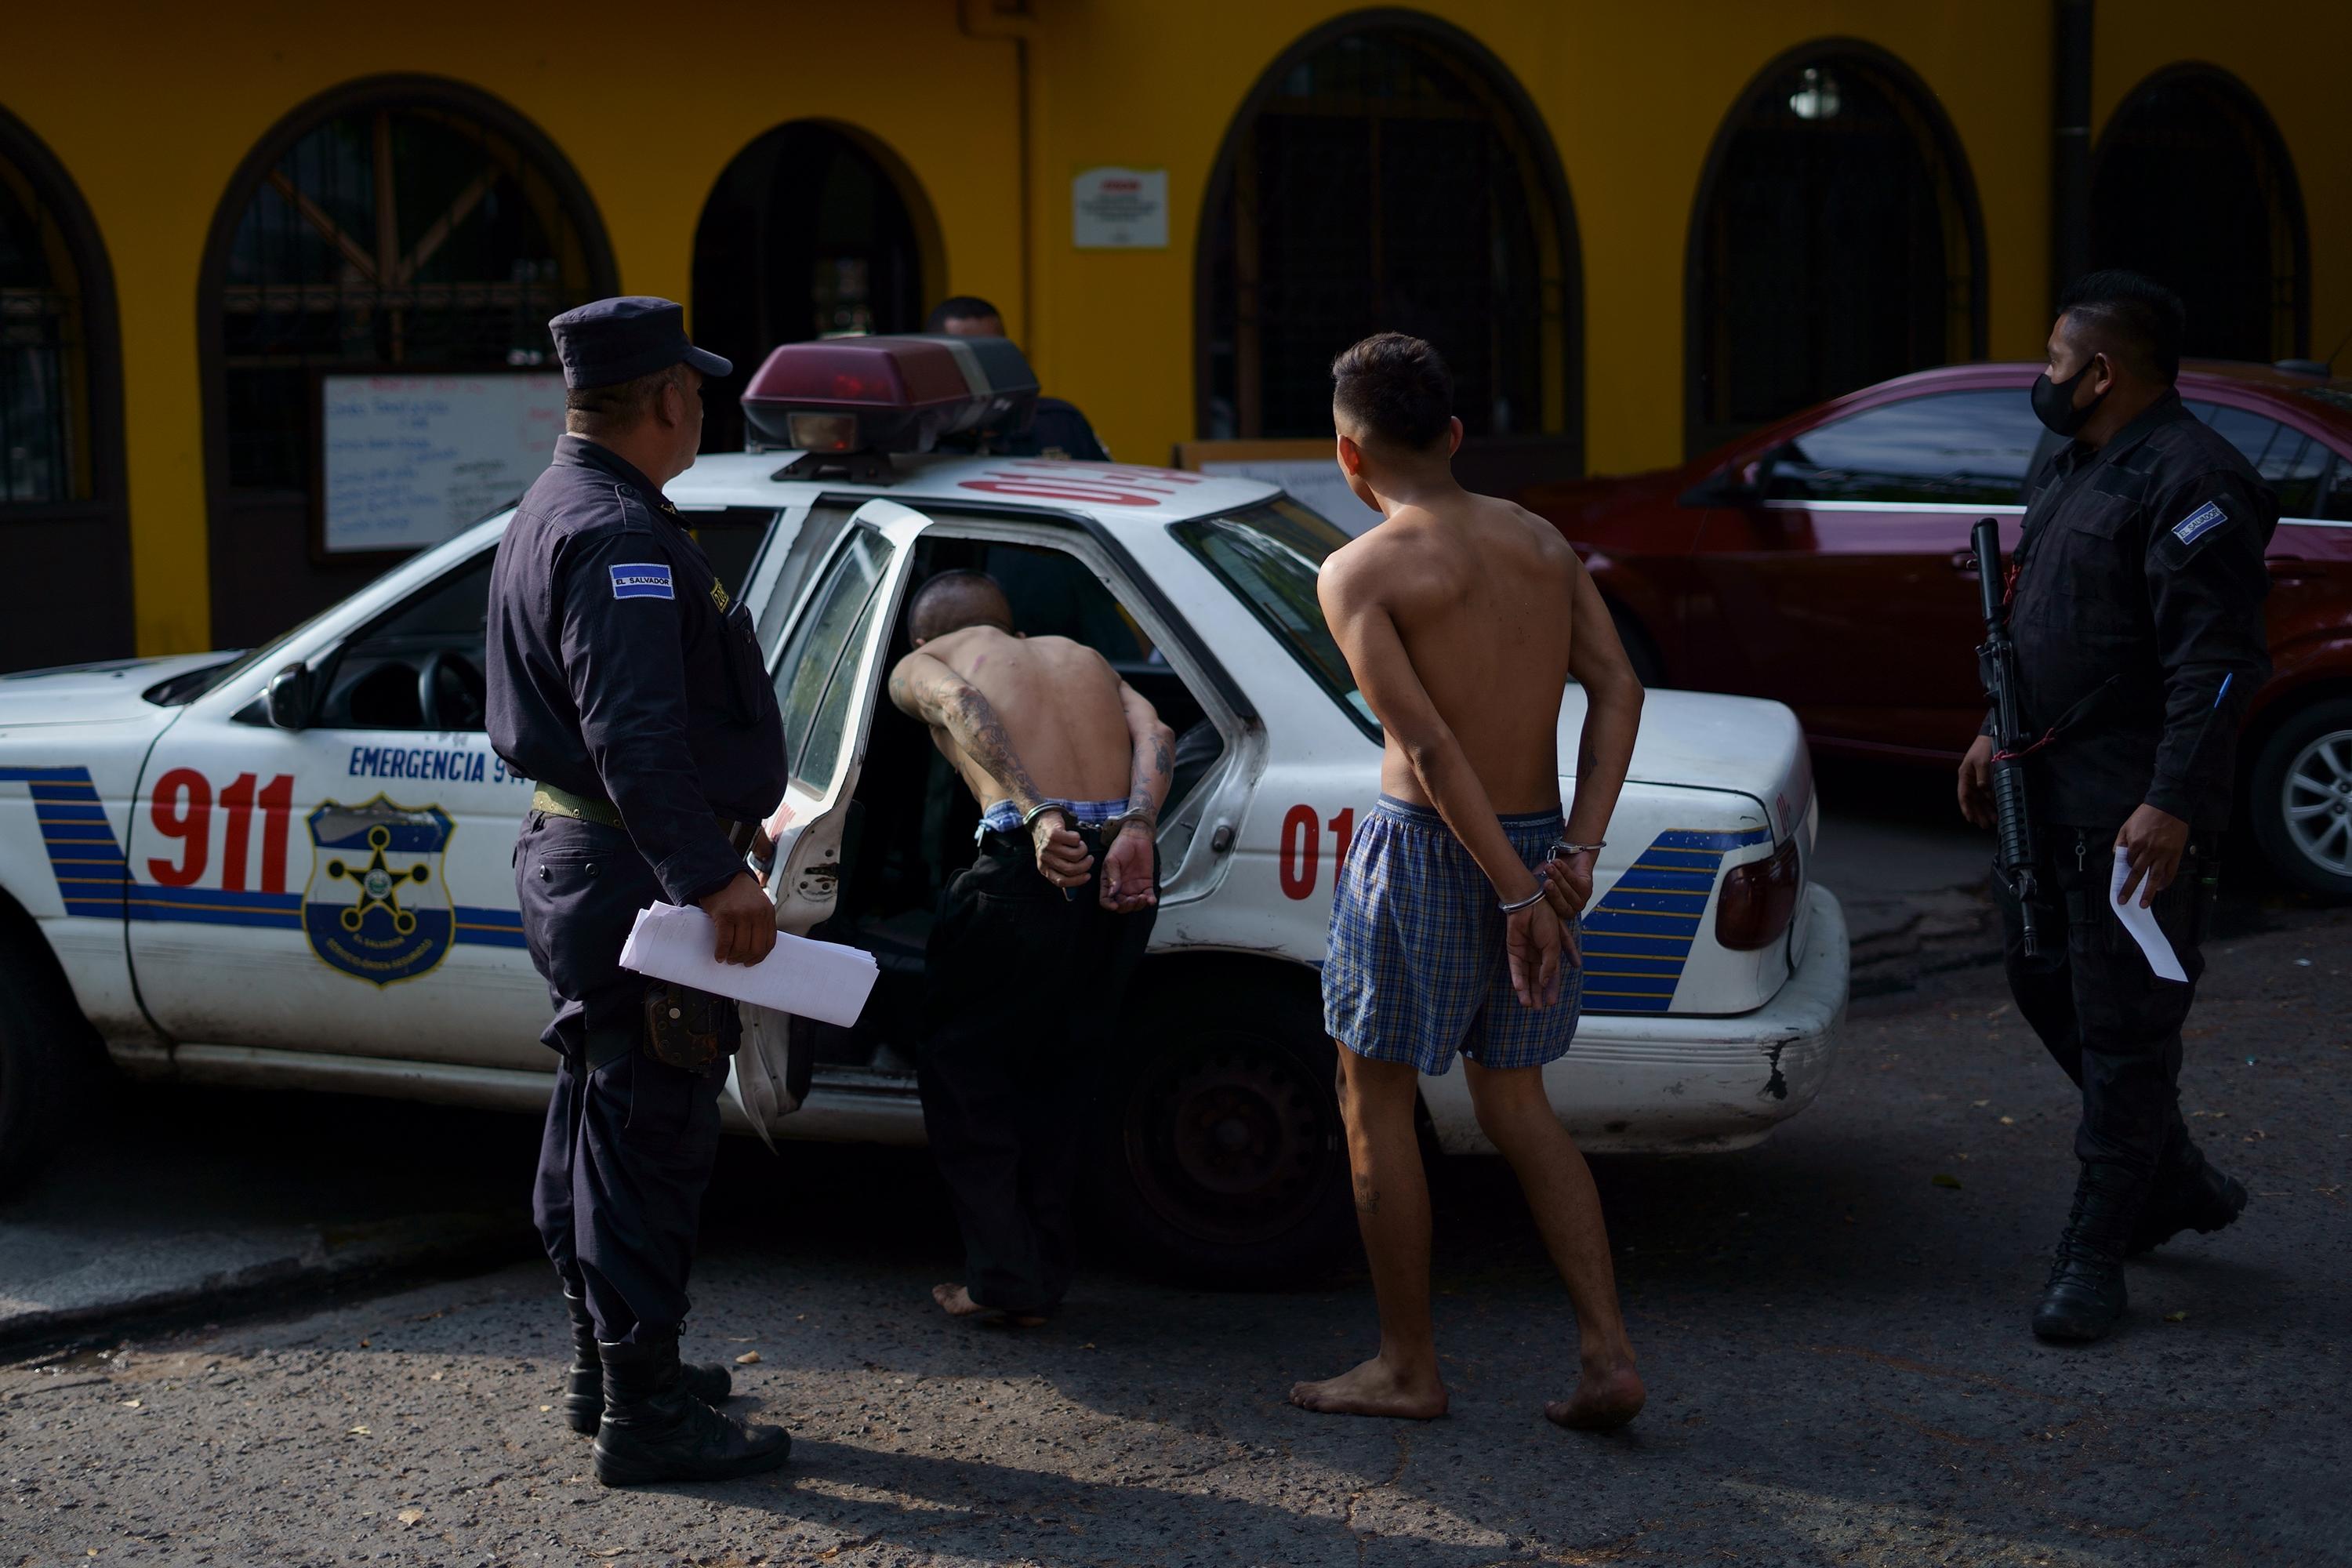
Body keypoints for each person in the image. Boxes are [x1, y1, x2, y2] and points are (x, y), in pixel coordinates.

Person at [1290, 333, 1647, 1431]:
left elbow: (1434, 751)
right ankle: (1606, 1353)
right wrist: (1568, 860)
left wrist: (1513, 897)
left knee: (1374, 1097)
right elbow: (1620, 690)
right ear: (1453, 435)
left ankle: (1409, 1367)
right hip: (1537, 842)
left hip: (1436, 851)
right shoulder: (1541, 542)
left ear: (1348, 457)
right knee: (1517, 1102)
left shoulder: (1359, 571)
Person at [485, 296, 794, 1486]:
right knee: (646, 1135)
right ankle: (645, 1412)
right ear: (667, 397)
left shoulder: (565, 503)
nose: (702, 405)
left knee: (599, 1119)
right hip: (629, 874)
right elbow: (637, 739)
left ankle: (606, 1366)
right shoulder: (615, 535)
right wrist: (712, 875)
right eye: (697, 389)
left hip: (589, 864)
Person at [1958, 270, 2274, 1342]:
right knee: (2040, 975)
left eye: (2053, 361)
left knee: (2130, 1027)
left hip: (2132, 806)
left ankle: (2097, 1250)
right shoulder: (2072, 463)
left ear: (2101, 373)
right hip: (2043, 788)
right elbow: (2043, 618)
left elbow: (2217, 664)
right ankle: (2171, 1173)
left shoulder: (2196, 482)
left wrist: (2173, 799)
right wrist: (1994, 731)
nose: (2042, 380)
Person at [886, 568, 1174, 1325]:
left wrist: (1037, 810)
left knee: (964, 1065)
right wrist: (1138, 826)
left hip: (1028, 857)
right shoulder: (1082, 656)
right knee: (1066, 1067)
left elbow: (959, 703)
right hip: (1121, 857)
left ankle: (1003, 1282)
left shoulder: (927, 661)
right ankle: (1041, 1270)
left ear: (924, 636)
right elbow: (1159, 734)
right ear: (1011, 624)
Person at [925, 295, 1111, 461]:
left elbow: (1109, 491)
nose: (984, 365)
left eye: (993, 351)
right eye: (967, 355)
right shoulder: (914, 436)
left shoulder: (1059, 422)